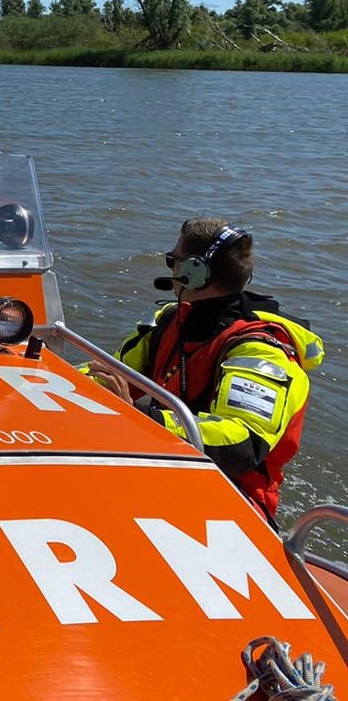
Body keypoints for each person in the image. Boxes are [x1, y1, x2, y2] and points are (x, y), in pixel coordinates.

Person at [92, 219, 324, 522]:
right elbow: (111, 373)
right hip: (160, 462)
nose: (170, 268)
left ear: (194, 272)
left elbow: (241, 445)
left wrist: (141, 417)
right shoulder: (172, 321)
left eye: (172, 260)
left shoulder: (260, 349)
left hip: (231, 497)